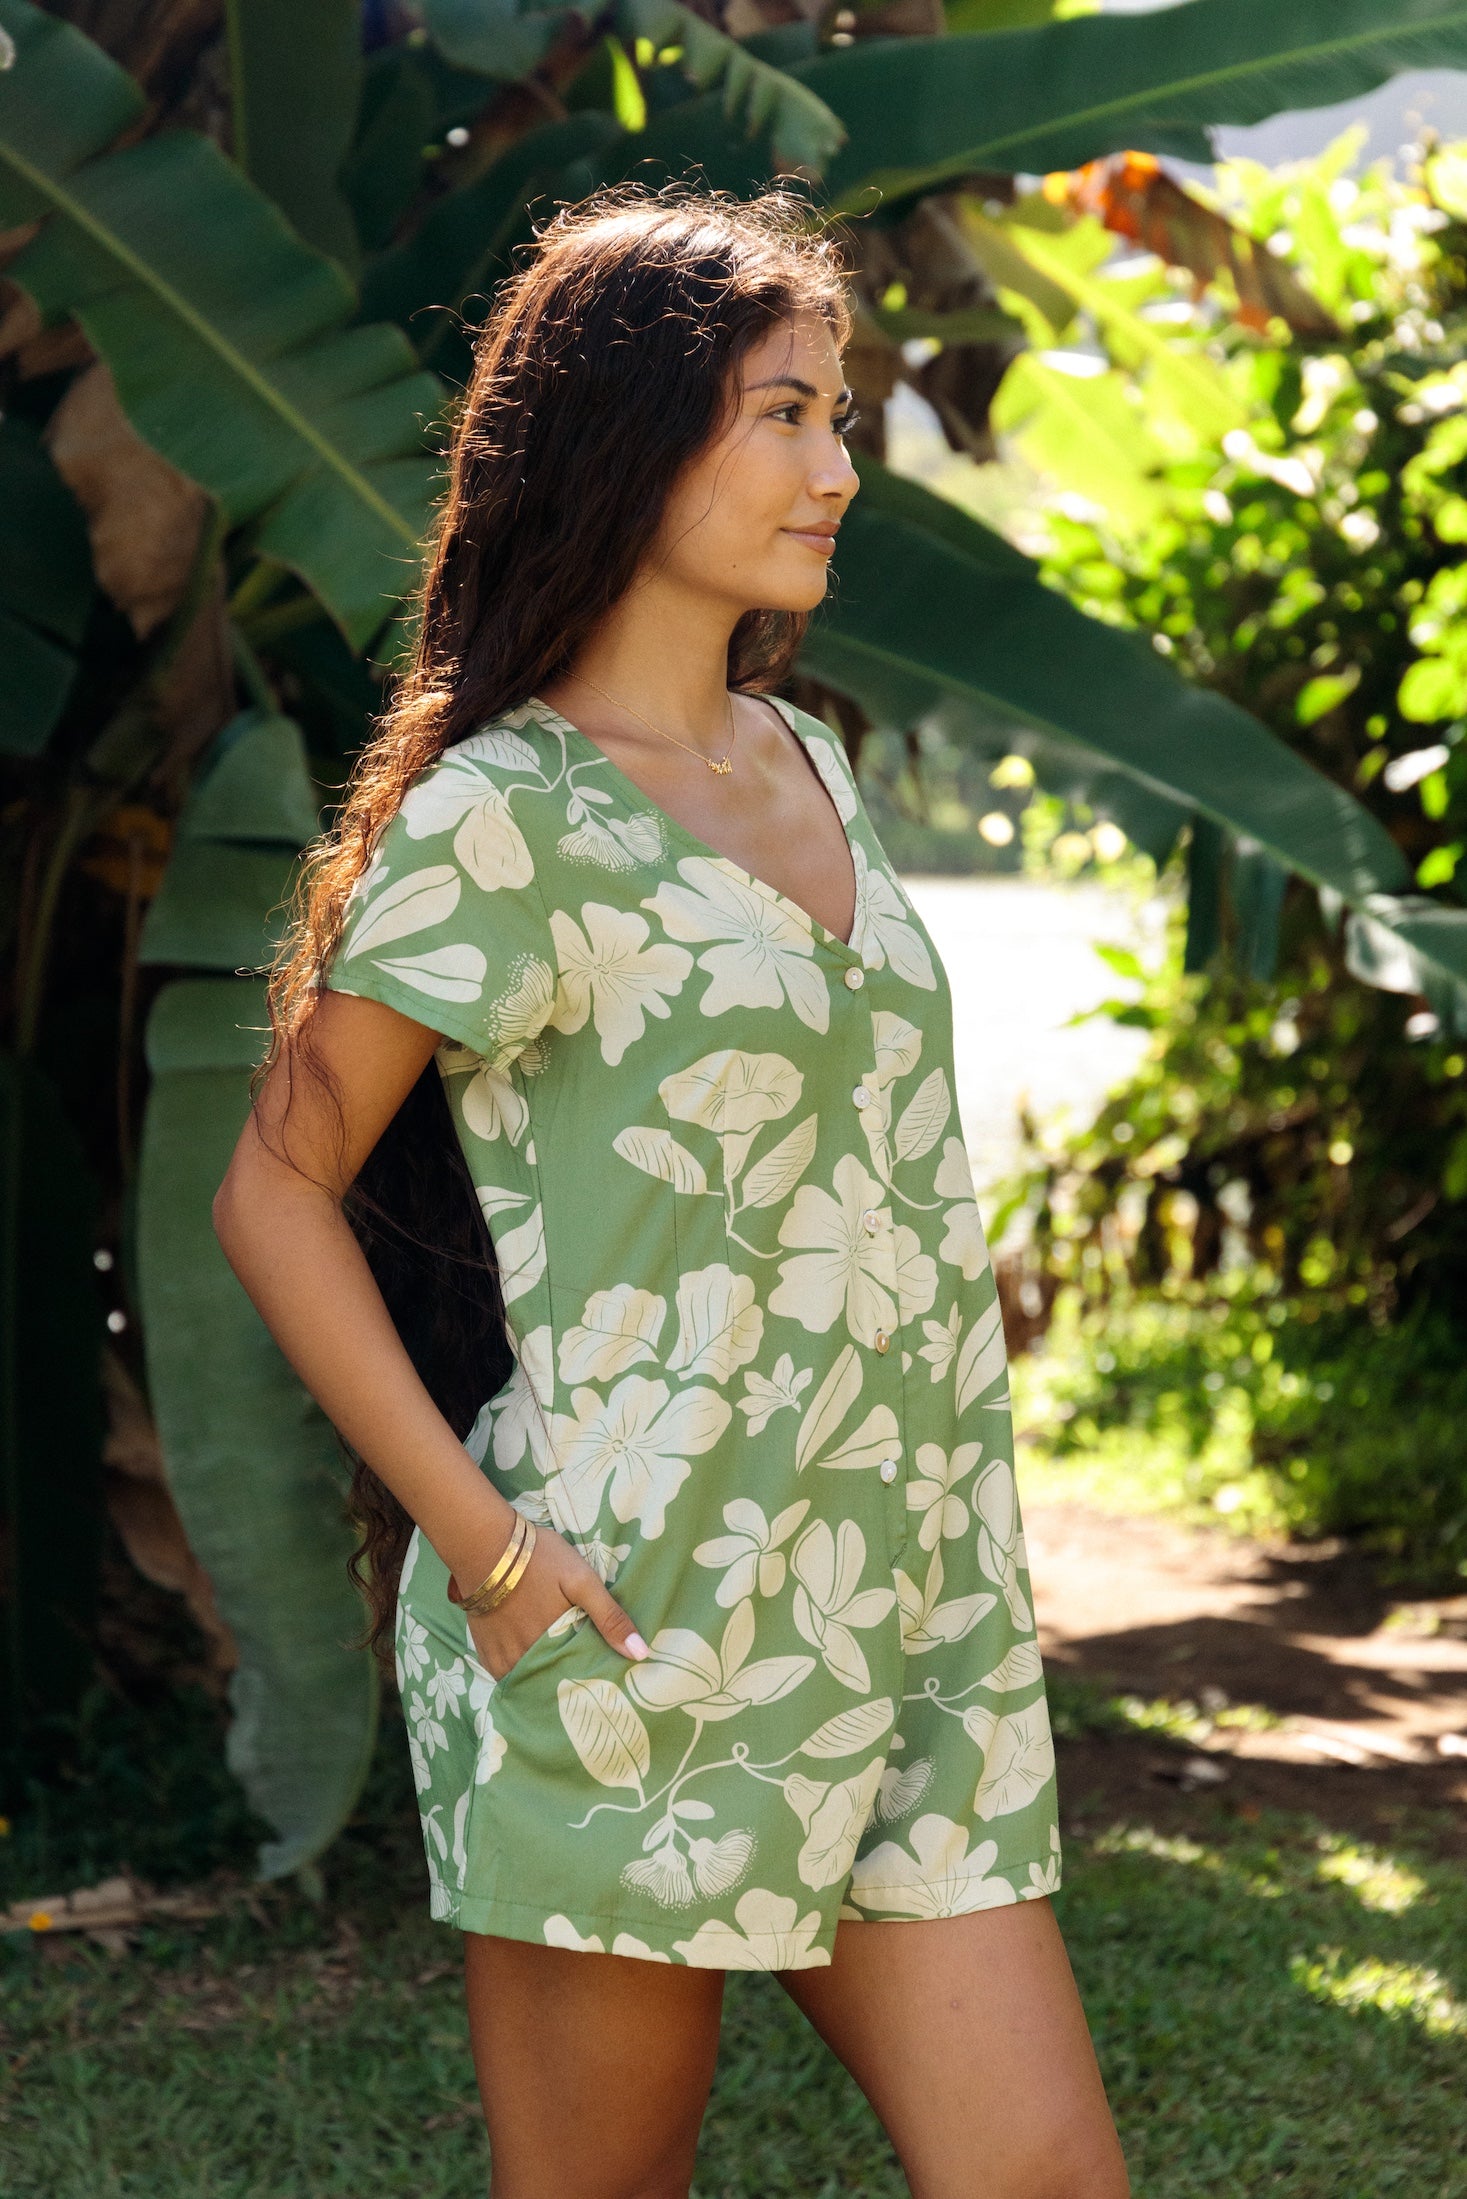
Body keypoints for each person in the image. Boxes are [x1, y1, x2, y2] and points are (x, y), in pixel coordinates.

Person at [213, 185, 1128, 2199]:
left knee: (1045, 2174)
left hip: (903, 1626)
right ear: (630, 440)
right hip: (627, 1640)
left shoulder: (810, 761)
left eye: (839, 412)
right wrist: (487, 1550)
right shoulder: (500, 818)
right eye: (786, 413)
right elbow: (272, 1190)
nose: (838, 465)